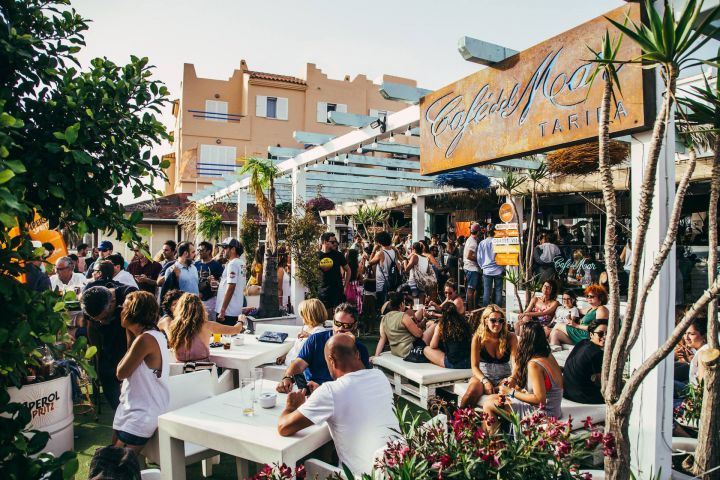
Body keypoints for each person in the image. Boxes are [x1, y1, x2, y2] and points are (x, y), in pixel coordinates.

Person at [277, 334, 399, 476]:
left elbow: (283, 428)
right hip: (396, 468)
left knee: (308, 464)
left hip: (360, 476)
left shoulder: (330, 392)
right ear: (357, 354)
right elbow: (355, 396)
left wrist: (291, 406)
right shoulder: (379, 376)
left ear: (331, 361)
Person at [111, 291, 169, 452]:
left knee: (115, 470)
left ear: (133, 312)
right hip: (132, 409)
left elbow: (121, 372)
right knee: (111, 463)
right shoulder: (150, 336)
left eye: (125, 306)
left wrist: (129, 333)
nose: (120, 309)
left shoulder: (146, 339)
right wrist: (130, 332)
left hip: (141, 414)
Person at [483, 321, 563, 426]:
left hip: (544, 413)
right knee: (492, 398)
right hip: (554, 409)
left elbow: (540, 400)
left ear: (526, 339)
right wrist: (516, 386)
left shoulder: (534, 365)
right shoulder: (548, 354)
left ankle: (493, 441)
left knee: (488, 404)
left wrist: (511, 392)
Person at [276, 303, 370, 393]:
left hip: (339, 393)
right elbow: (298, 364)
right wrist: (287, 378)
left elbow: (361, 380)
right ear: (333, 322)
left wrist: (351, 347)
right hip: (311, 390)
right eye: (337, 323)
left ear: (354, 326)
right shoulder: (316, 339)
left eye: (346, 325)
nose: (341, 328)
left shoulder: (360, 348)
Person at [81, 283, 138, 408]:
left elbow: (137, 331)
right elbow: (91, 327)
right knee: (111, 390)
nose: (101, 322)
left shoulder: (131, 297)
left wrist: (130, 358)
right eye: (97, 320)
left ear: (112, 303)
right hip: (108, 350)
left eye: (104, 317)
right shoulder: (90, 301)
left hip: (131, 347)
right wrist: (97, 354)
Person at [460, 305, 518, 408]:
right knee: (471, 392)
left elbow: (516, 363)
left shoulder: (510, 337)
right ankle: (459, 420)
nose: (497, 324)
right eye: (493, 320)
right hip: (482, 376)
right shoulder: (478, 338)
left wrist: (512, 378)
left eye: (501, 321)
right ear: (486, 321)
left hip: (503, 377)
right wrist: (485, 381)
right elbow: (474, 367)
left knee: (510, 395)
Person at [168, 293, 245, 362]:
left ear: (181, 309)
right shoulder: (207, 325)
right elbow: (236, 330)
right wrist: (241, 321)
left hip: (179, 375)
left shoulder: (174, 326)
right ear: (200, 308)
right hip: (203, 374)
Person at [562, 319, 607, 404]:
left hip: (567, 391)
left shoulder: (582, 343)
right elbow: (601, 382)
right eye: (600, 334)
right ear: (591, 334)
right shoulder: (597, 353)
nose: (605, 337)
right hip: (581, 397)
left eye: (608, 333)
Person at [375, 292, 427, 358]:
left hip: (395, 351)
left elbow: (382, 339)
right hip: (410, 351)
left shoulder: (384, 318)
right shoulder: (403, 316)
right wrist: (422, 326)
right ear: (401, 304)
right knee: (433, 327)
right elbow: (418, 334)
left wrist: (376, 355)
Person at [279, 298, 329, 366]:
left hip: (299, 370)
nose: (301, 316)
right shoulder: (306, 328)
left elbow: (317, 345)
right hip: (289, 364)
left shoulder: (320, 331)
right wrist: (285, 356)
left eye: (302, 314)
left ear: (309, 315)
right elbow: (296, 347)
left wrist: (309, 336)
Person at [423, 302, 472, 369]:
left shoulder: (442, 325)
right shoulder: (465, 323)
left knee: (426, 349)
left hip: (455, 364)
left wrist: (437, 329)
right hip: (469, 362)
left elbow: (433, 345)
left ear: (443, 314)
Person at [318, 232, 350, 316]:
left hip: (337, 290)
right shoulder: (317, 256)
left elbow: (348, 270)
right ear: (325, 242)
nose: (335, 244)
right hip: (323, 291)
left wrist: (345, 286)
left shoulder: (338, 255)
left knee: (339, 315)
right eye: (332, 242)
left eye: (335, 242)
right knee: (326, 317)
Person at [215, 237, 246, 325]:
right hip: (234, 310)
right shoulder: (241, 263)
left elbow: (231, 287)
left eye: (225, 248)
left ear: (233, 249)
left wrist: (222, 310)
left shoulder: (233, 264)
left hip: (227, 312)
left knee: (222, 338)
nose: (223, 250)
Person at [368, 231, 399, 308]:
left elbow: (370, 263)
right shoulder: (393, 251)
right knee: (390, 304)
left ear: (379, 242)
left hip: (382, 283)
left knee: (382, 305)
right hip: (392, 281)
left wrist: (373, 250)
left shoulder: (380, 253)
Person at [194, 241, 224, 320]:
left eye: (202, 250)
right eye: (198, 250)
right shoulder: (195, 265)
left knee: (212, 326)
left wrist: (216, 283)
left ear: (209, 251)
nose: (199, 252)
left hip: (211, 300)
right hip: (197, 300)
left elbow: (222, 282)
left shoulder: (217, 265)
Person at [477, 225, 505, 307]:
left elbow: (479, 258)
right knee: (498, 292)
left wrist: (482, 267)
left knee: (486, 292)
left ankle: (486, 311)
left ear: (487, 232)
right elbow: (503, 255)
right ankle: (499, 311)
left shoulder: (482, 243)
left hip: (487, 270)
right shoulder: (499, 242)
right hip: (498, 269)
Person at [463, 223, 482, 310]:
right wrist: (479, 260)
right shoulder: (473, 242)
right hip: (472, 268)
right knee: (470, 291)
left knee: (472, 290)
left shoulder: (469, 239)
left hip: (469, 268)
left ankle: (472, 308)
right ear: (477, 232)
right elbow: (469, 256)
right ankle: (470, 311)